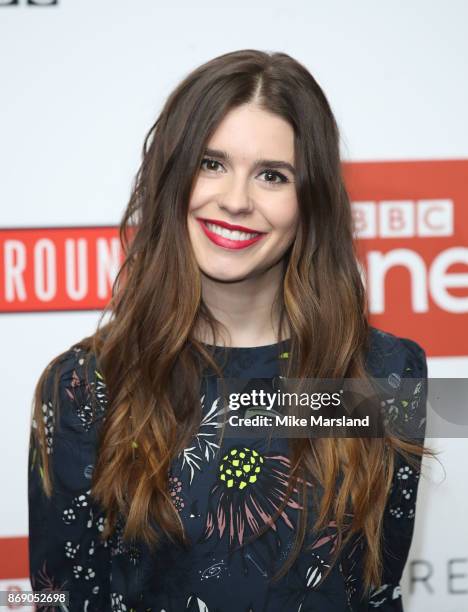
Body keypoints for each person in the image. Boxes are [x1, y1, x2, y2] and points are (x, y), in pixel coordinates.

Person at [28, 49, 434, 612]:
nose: (237, 201)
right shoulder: (85, 386)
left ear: (308, 201)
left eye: (272, 175)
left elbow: (375, 590)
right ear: (172, 177)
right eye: (212, 164)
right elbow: (62, 600)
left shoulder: (382, 374)